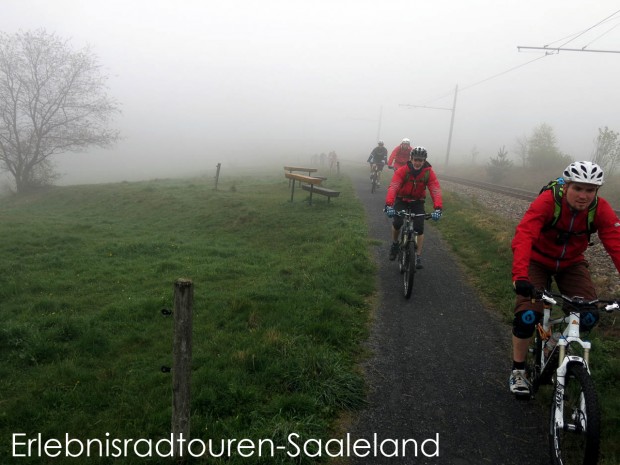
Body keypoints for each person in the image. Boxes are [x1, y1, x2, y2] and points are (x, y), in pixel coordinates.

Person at [509, 161, 620, 396]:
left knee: (588, 315)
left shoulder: (600, 209)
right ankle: (518, 370)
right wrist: (520, 275)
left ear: (596, 191)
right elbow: (525, 234)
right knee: (528, 316)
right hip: (537, 260)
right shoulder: (548, 201)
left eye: (590, 190)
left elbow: (616, 245)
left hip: (571, 263)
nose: (583, 196)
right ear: (566, 185)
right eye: (578, 188)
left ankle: (553, 343)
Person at [384, 146, 443, 269]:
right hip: (402, 199)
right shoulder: (402, 171)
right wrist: (389, 205)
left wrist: (438, 208)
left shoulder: (428, 172)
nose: (418, 162)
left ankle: (417, 255)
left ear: (424, 161)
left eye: (420, 160)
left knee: (419, 228)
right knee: (397, 222)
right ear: (411, 159)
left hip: (418, 201)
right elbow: (394, 187)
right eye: (415, 159)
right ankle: (395, 244)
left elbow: (435, 189)